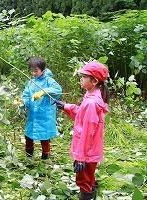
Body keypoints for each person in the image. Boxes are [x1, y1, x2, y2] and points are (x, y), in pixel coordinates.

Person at [54, 61, 109, 200]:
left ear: (95, 81)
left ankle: (87, 196)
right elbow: (81, 114)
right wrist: (66, 106)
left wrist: (80, 157)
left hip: (87, 151)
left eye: (84, 76)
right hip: (89, 150)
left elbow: (87, 132)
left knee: (83, 180)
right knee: (88, 176)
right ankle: (91, 191)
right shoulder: (91, 95)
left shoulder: (91, 102)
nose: (81, 79)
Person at [14, 57, 62, 159]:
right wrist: (22, 103)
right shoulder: (31, 83)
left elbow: (58, 90)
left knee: (44, 137)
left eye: (36, 71)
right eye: (31, 71)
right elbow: (26, 97)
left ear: (43, 70)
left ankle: (45, 157)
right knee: (28, 136)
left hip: (45, 115)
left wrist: (44, 91)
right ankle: (28, 157)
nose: (33, 73)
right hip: (33, 115)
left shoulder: (49, 81)